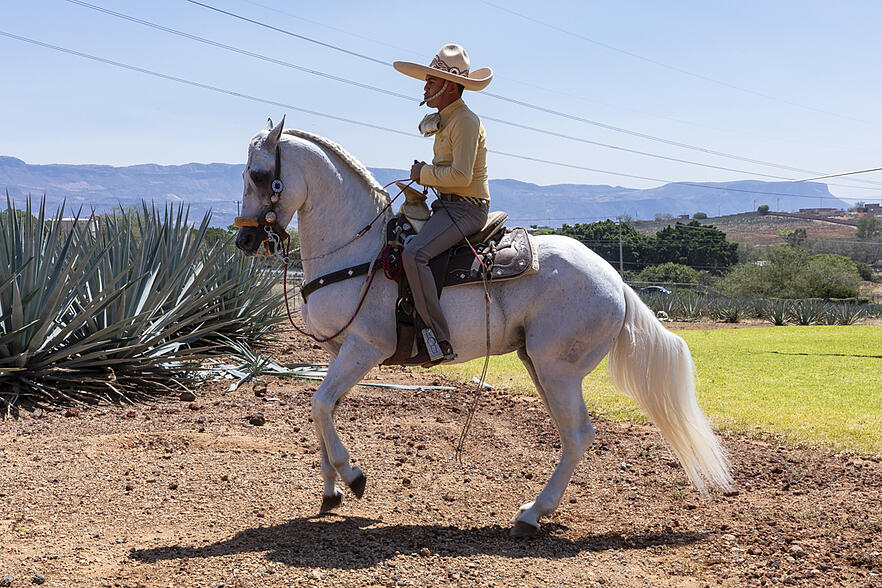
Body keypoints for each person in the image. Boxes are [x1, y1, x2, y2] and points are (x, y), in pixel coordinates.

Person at [393, 44, 493, 366]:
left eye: (431, 82)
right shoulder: (445, 119)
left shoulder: (464, 121)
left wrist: (423, 174)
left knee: (415, 252)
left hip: (466, 208)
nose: (425, 87)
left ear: (450, 86)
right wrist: (427, 177)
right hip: (448, 207)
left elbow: (462, 176)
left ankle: (439, 340)